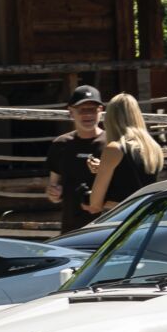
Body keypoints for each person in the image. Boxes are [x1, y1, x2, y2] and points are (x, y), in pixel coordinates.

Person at [86, 93, 166, 218]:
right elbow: (130, 175)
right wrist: (103, 168)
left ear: (110, 118)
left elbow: (95, 205)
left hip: (118, 217)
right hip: (145, 217)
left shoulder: (114, 148)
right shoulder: (154, 148)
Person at [46, 85, 105, 228]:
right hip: (70, 228)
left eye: (92, 109)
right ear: (71, 112)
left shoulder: (112, 145)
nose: (88, 115)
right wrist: (54, 193)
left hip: (104, 227)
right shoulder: (60, 144)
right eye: (82, 109)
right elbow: (53, 187)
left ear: (101, 111)